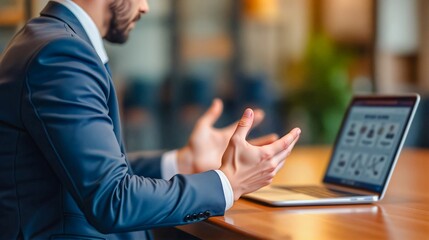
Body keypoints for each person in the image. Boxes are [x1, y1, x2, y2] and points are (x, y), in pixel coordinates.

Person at [0, 0, 301, 239]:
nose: (146, 7)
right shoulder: (62, 55)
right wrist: (227, 183)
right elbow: (112, 199)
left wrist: (181, 162)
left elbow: (87, 171)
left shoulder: (51, 41)